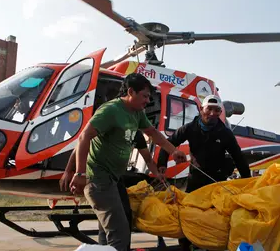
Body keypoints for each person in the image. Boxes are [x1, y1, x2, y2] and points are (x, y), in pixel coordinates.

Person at [68, 73, 187, 251]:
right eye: (145, 96)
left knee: (107, 233)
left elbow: (153, 133)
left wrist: (174, 150)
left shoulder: (137, 114)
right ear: (131, 91)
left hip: (113, 179)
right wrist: (78, 173)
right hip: (99, 178)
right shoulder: (111, 110)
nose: (148, 101)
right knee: (120, 232)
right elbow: (84, 137)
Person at [157, 94, 251, 251]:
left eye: (217, 110)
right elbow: (168, 143)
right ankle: (185, 245)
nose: (213, 113)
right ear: (201, 109)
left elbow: (239, 157)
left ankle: (210, 245)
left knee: (214, 219)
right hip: (196, 178)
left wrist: (248, 182)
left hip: (217, 180)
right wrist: (161, 165)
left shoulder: (225, 132)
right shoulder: (190, 128)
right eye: (209, 109)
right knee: (187, 213)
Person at [60, 129, 162, 250]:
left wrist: (158, 174)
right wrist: (70, 171)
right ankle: (111, 247)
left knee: (122, 215)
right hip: (99, 178)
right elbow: (81, 142)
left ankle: (108, 247)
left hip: (116, 178)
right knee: (115, 223)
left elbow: (148, 159)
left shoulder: (137, 134)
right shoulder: (111, 123)